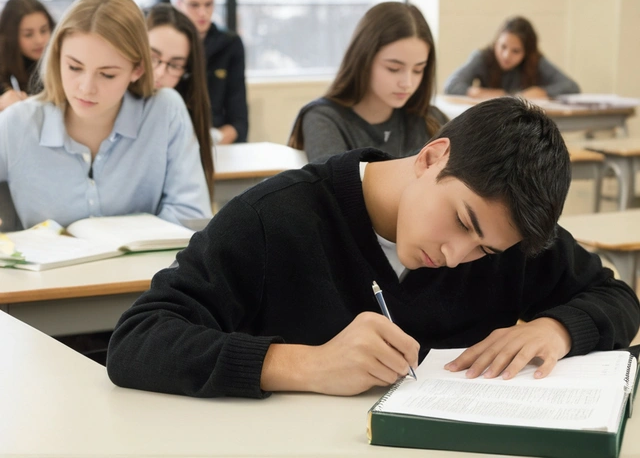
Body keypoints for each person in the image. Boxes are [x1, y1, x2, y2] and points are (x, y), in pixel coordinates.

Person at [107, 97, 639, 399]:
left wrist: (559, 328)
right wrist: (301, 365)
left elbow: (616, 298)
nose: (457, 256)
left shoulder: (503, 235)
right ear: (433, 157)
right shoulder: (276, 218)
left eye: (485, 251)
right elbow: (137, 340)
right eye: (460, 221)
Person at [0, 0, 211, 230]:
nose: (86, 88)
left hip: (145, 269)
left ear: (138, 70)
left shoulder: (164, 111)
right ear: (57, 57)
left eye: (107, 74)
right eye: (74, 67)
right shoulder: (16, 123)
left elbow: (191, 218)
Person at [288, 2, 448, 164]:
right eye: (393, 69)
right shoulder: (323, 118)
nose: (407, 83)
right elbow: (336, 186)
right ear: (364, 60)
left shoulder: (431, 119)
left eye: (418, 70)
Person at [146, 3, 214, 199]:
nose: (160, 73)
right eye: (152, 57)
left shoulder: (176, 111)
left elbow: (190, 208)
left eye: (175, 65)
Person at [175, 0, 248, 144]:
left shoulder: (230, 44)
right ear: (179, 3)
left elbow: (239, 121)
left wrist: (213, 139)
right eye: (194, 5)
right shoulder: (169, 45)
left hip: (216, 142)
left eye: (208, 4)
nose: (202, 13)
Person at [444, 16, 580, 100]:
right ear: (496, 42)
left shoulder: (536, 62)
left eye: (516, 51)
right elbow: (451, 85)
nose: (506, 55)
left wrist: (543, 92)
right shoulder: (483, 57)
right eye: (503, 47)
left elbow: (572, 86)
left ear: (527, 52)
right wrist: (475, 92)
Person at [0, 0, 55, 111]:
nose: (39, 40)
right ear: (11, 37)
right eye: (28, 34)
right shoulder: (3, 64)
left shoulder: (61, 60)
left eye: (44, 30)